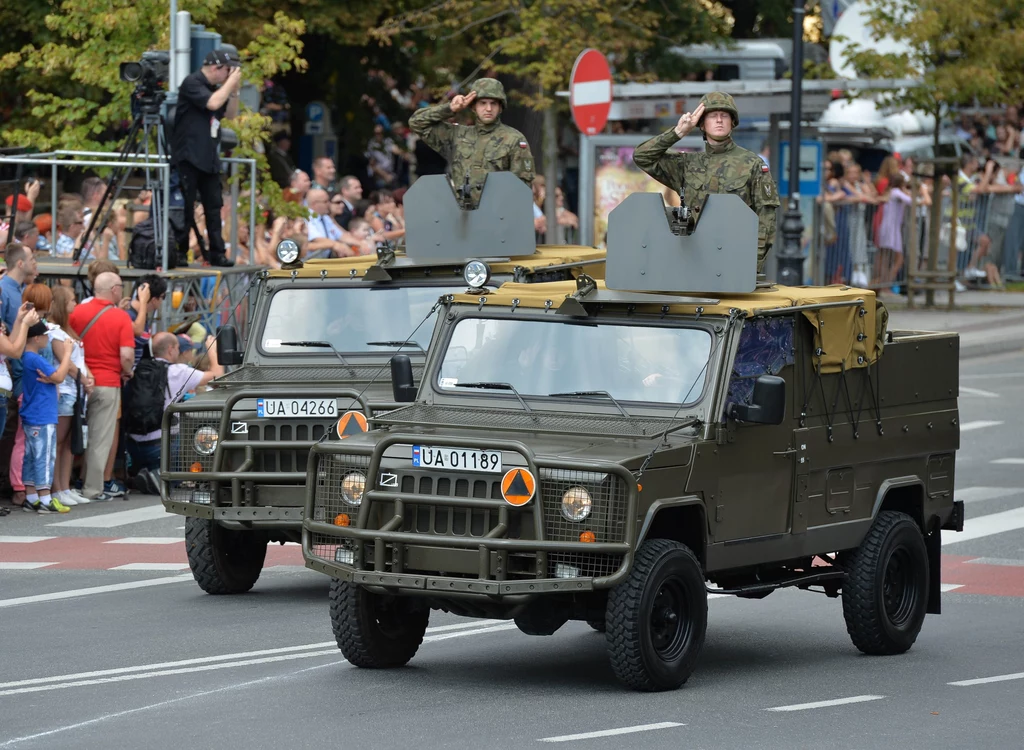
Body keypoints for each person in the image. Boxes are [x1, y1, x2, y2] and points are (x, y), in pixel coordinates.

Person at [633, 91, 780, 274]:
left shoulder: (752, 164)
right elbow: (642, 157)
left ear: (732, 122)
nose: (719, 120)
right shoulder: (687, 164)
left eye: (724, 115)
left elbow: (766, 219)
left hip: (735, 261)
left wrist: (752, 267)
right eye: (712, 116)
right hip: (692, 261)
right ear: (702, 124)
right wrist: (678, 133)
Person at [409, 78, 535, 207]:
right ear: (473, 106)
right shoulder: (457, 135)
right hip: (461, 216)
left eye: (494, 103)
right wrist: (450, 108)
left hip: (498, 216)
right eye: (483, 103)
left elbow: (522, 188)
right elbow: (416, 123)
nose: (488, 108)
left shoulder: (513, 139)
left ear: (501, 107)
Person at [170, 48, 242, 268]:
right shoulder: (191, 83)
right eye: (227, 70)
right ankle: (180, 251)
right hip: (189, 157)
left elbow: (230, 115)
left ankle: (217, 252)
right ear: (215, 67)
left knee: (214, 206)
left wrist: (234, 91)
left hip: (208, 157)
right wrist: (229, 84)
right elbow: (211, 103)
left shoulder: (215, 89)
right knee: (186, 206)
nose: (230, 75)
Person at [126, 332, 223, 489]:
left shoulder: (138, 367)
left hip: (133, 446)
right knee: (180, 474)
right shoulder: (178, 371)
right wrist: (213, 351)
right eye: (177, 348)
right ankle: (160, 477)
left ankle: (143, 474)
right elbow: (217, 375)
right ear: (171, 349)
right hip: (162, 447)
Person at [69, 271, 134, 502]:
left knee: (70, 435)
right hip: (107, 381)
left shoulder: (77, 312)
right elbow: (126, 355)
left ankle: (66, 485)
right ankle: (92, 488)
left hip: (78, 379)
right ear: (114, 289)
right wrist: (128, 371)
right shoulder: (121, 317)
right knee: (100, 439)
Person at [20, 321, 73, 513]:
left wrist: (54, 377)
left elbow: (54, 377)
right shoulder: (35, 358)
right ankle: (45, 497)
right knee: (45, 455)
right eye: (45, 336)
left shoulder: (28, 358)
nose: (47, 339)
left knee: (31, 456)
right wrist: (67, 353)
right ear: (36, 338)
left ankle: (31, 495)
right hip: (43, 414)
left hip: (32, 413)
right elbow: (59, 376)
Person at [48, 286, 93, 508]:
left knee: (68, 444)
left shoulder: (67, 331)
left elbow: (79, 361)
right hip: (65, 391)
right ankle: (56, 488)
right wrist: (84, 379)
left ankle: (65, 486)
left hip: (75, 392)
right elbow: (66, 363)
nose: (75, 304)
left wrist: (88, 377)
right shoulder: (54, 331)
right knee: (59, 442)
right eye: (72, 301)